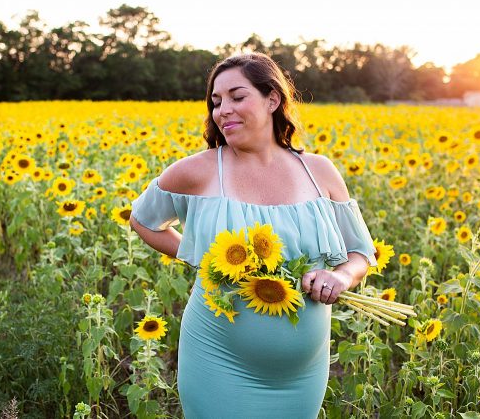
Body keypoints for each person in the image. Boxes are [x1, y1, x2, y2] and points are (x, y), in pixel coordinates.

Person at [129, 53, 377, 418]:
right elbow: (142, 220)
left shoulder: (319, 171)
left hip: (302, 373)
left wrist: (338, 276)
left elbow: (360, 252)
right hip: (218, 361)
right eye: (216, 102)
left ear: (272, 99)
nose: (223, 110)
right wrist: (200, 257)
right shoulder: (197, 171)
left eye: (237, 97)